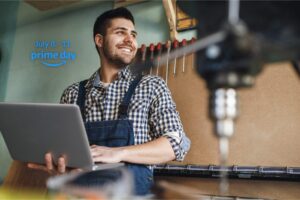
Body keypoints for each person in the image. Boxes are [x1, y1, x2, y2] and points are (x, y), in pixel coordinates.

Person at [28, 7, 190, 195]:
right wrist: (59, 164)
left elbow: (176, 143)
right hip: (80, 194)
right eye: (120, 32)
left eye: (133, 34)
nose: (130, 40)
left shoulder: (152, 86)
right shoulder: (72, 94)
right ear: (99, 40)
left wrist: (119, 153)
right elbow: (61, 151)